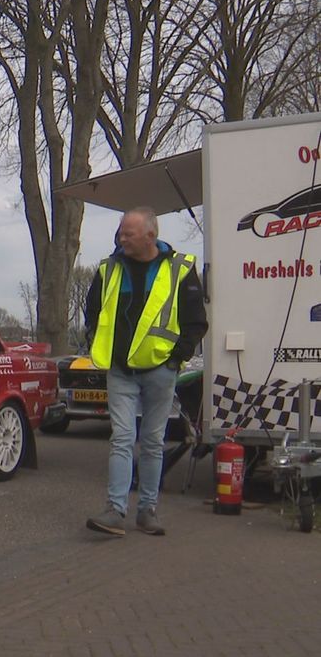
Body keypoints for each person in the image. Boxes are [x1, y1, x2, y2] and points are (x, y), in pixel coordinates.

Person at [84, 207, 208, 537]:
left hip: (160, 371)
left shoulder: (180, 269)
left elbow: (196, 322)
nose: (121, 237)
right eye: (121, 232)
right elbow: (92, 311)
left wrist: (175, 359)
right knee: (122, 438)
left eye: (128, 233)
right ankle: (115, 510)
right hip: (121, 371)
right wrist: (93, 339)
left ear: (150, 236)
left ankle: (147, 511)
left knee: (152, 441)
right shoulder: (109, 269)